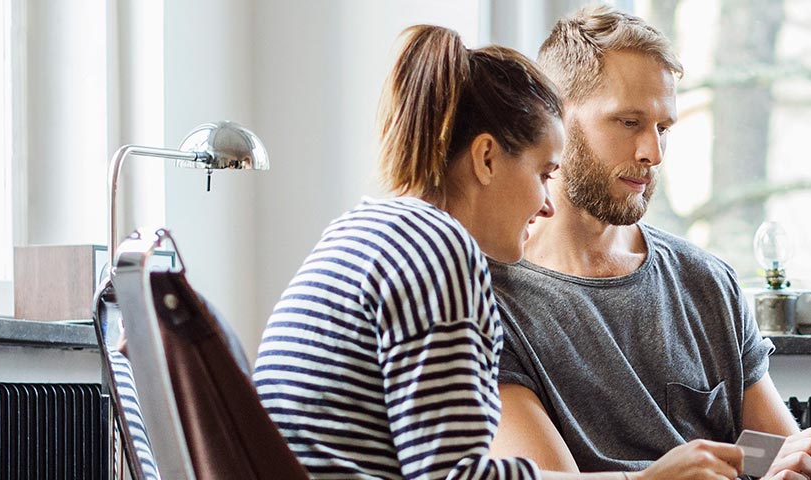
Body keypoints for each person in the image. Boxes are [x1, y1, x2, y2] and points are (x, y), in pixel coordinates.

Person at [253, 25, 742, 480]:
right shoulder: (437, 251)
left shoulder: (363, 229)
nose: (547, 204)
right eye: (543, 173)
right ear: (487, 158)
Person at [485, 7, 811, 480]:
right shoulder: (491, 301)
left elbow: (781, 461)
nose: (652, 153)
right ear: (555, 118)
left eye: (663, 128)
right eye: (628, 122)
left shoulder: (708, 282)